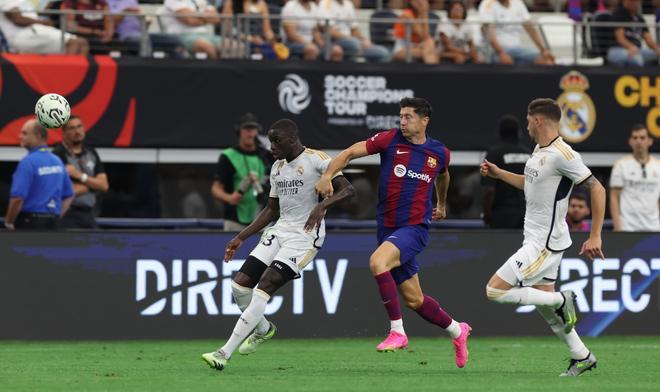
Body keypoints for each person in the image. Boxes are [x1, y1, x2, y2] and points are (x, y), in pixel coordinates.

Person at [315, 97, 471, 368]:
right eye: (401, 115)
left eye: (408, 116)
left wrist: (442, 204)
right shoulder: (390, 140)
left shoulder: (439, 152)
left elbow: (444, 176)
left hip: (414, 229)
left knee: (377, 261)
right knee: (415, 300)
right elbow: (350, 152)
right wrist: (328, 175)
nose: (402, 121)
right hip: (387, 229)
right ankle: (458, 331)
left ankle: (397, 332)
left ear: (425, 120)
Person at [202, 119, 355, 371]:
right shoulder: (276, 167)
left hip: (305, 236)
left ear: (292, 140)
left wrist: (322, 205)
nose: (271, 146)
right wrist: (241, 236)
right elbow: (271, 209)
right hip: (280, 230)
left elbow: (348, 190)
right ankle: (263, 329)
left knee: (265, 285)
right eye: (270, 141)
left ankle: (223, 352)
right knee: (239, 286)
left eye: (276, 141)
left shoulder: (317, 160)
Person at [480, 98, 606, 377]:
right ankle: (582, 355)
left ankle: (563, 299)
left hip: (543, 245)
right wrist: (500, 175)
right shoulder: (539, 150)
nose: (525, 126)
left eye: (527, 120)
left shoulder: (564, 153)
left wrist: (595, 234)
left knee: (495, 290)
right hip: (537, 239)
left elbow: (597, 188)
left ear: (538, 120)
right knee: (545, 309)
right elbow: (532, 185)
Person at [4, 119, 74, 230]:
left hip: (29, 223)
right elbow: (69, 195)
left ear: (38, 136)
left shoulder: (28, 162)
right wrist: (55, 217)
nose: (20, 136)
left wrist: (8, 222)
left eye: (25, 133)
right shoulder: (57, 161)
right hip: (52, 223)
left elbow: (17, 198)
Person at [211, 113, 271, 231]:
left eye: (253, 129)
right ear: (239, 131)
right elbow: (215, 188)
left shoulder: (266, 155)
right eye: (247, 129)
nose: (250, 133)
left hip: (262, 218)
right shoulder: (228, 156)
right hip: (235, 219)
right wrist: (229, 198)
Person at [52, 115, 109, 229]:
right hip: (67, 214)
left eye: (79, 126)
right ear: (64, 133)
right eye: (72, 128)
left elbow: (104, 185)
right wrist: (93, 184)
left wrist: (79, 176)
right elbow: (65, 192)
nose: (77, 131)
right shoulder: (58, 155)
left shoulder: (91, 152)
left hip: (89, 213)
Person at [481, 115, 530, 228]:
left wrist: (487, 213)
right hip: (527, 213)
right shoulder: (528, 153)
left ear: (499, 132)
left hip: (501, 214)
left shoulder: (494, 153)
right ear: (519, 132)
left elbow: (489, 189)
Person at [609, 124, 660, 231]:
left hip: (654, 227)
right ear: (630, 141)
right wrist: (618, 226)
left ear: (649, 141)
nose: (638, 141)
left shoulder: (658, 166)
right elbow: (614, 198)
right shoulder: (621, 165)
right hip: (628, 227)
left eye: (642, 138)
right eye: (635, 138)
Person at [478, 0, 555, 65]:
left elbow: (530, 29)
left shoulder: (517, 2)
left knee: (546, 61)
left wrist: (543, 50)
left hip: (517, 50)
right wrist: (501, 53)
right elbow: (489, 34)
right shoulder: (487, 4)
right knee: (505, 63)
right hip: (495, 51)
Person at [0, 0, 88, 54]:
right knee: (76, 43)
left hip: (35, 31)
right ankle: (68, 79)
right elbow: (17, 19)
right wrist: (42, 22)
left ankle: (73, 78)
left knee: (83, 44)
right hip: (23, 34)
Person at [106, 0, 186, 57]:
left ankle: (181, 72)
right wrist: (125, 12)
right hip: (124, 37)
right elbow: (109, 22)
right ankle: (149, 69)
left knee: (176, 40)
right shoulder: (106, 2)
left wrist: (146, 21)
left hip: (142, 34)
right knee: (145, 42)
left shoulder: (132, 1)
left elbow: (141, 23)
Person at [318, 0, 390, 62]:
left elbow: (354, 29)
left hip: (354, 42)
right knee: (353, 44)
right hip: (334, 42)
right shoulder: (326, 2)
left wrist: (364, 40)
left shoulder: (348, 4)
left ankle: (368, 74)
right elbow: (329, 30)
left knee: (382, 52)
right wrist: (351, 39)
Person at [607, 0, 660, 66]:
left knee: (656, 54)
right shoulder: (619, 14)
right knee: (637, 59)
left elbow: (648, 39)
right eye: (632, 1)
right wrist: (631, 47)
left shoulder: (639, 18)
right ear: (624, 1)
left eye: (637, 1)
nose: (635, 3)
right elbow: (620, 38)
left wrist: (656, 48)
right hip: (617, 50)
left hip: (637, 50)